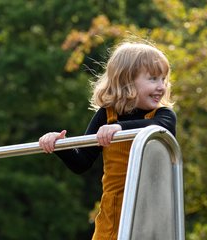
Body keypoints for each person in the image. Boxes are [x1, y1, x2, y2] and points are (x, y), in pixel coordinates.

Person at [39, 40, 176, 240]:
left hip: (151, 210)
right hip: (115, 210)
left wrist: (120, 128)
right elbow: (82, 162)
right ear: (127, 81)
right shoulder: (107, 116)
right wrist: (59, 144)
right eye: (153, 79)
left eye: (164, 79)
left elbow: (161, 128)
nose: (161, 87)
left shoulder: (163, 115)